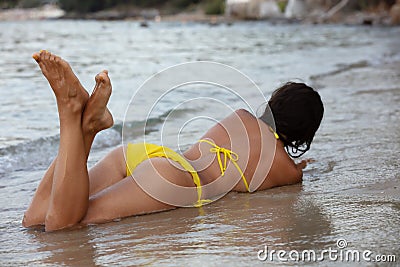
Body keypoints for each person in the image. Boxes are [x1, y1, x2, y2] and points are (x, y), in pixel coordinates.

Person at [22, 51, 324, 232]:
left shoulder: (243, 117)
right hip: (178, 180)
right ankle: (72, 112)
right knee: (62, 226)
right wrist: (298, 167)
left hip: (149, 155)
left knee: (35, 220)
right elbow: (283, 172)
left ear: (273, 104)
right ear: (305, 132)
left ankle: (88, 130)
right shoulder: (287, 169)